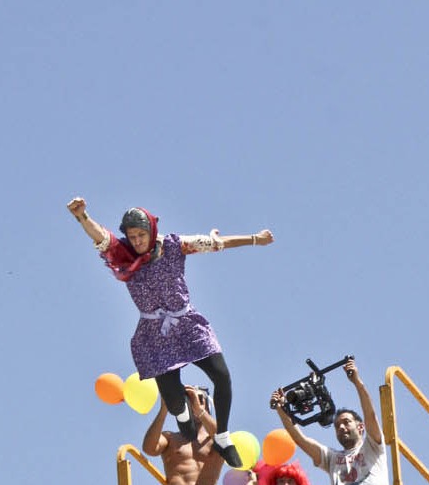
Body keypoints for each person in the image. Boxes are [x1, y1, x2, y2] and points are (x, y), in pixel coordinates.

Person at [67, 196, 274, 466]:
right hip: (154, 333)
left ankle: (222, 436)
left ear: (151, 231)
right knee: (174, 401)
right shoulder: (123, 254)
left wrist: (256, 238)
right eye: (132, 236)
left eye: (142, 235)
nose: (138, 241)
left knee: (222, 376)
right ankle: (183, 415)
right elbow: (100, 236)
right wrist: (82, 216)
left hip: (186, 323)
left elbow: (217, 244)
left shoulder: (174, 245)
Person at [270, 356, 389, 485]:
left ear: (361, 427)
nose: (341, 427)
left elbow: (370, 415)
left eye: (346, 422)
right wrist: (281, 409)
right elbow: (300, 439)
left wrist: (357, 382)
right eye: (337, 425)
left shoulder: (372, 446)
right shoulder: (332, 458)